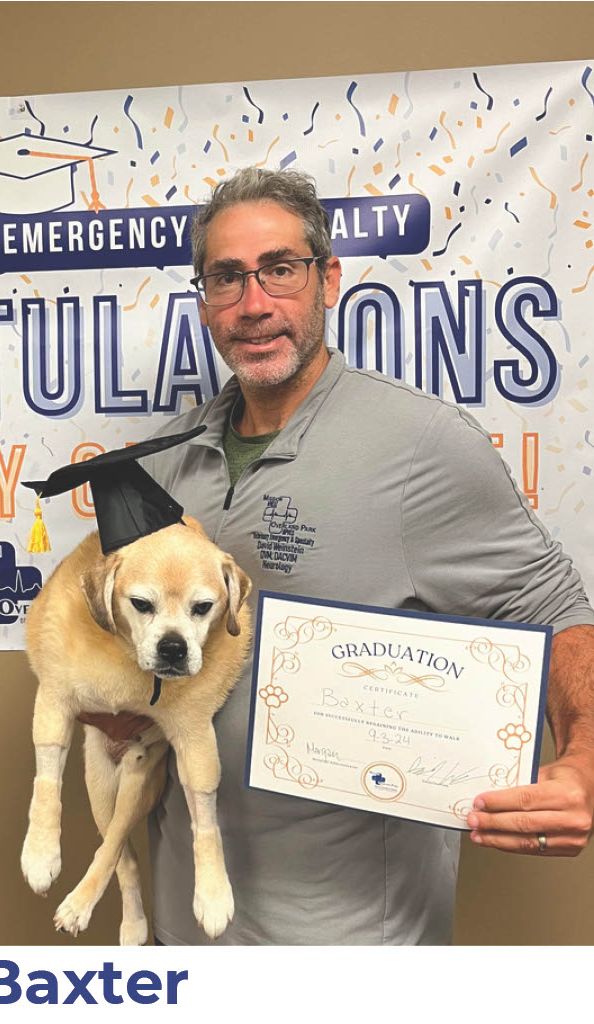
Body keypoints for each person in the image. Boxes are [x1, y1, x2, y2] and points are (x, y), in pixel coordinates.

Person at [83, 167, 594, 945]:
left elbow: (554, 611)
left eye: (279, 270)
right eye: (226, 278)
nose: (254, 305)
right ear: (204, 300)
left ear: (327, 278)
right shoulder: (161, 464)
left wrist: (583, 762)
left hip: (351, 940)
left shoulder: (421, 445)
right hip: (188, 920)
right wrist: (113, 702)